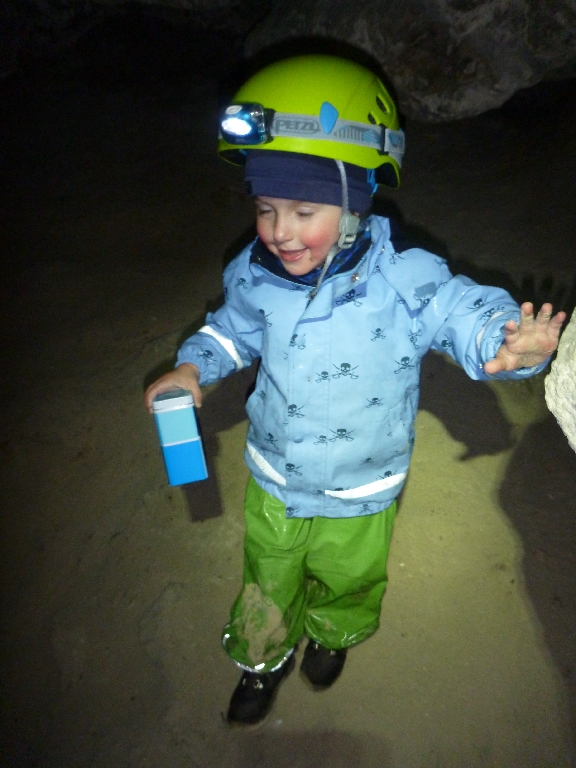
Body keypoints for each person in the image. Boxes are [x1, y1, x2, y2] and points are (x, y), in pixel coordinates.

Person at [144, 54, 565, 726]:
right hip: (276, 472)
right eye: (265, 208)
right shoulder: (254, 272)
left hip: (364, 482)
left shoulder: (403, 276)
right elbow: (232, 330)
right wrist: (193, 365)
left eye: (303, 210)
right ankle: (262, 659)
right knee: (267, 576)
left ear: (353, 203)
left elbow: (460, 310)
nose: (280, 230)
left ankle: (334, 633)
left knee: (351, 575)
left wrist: (505, 342)